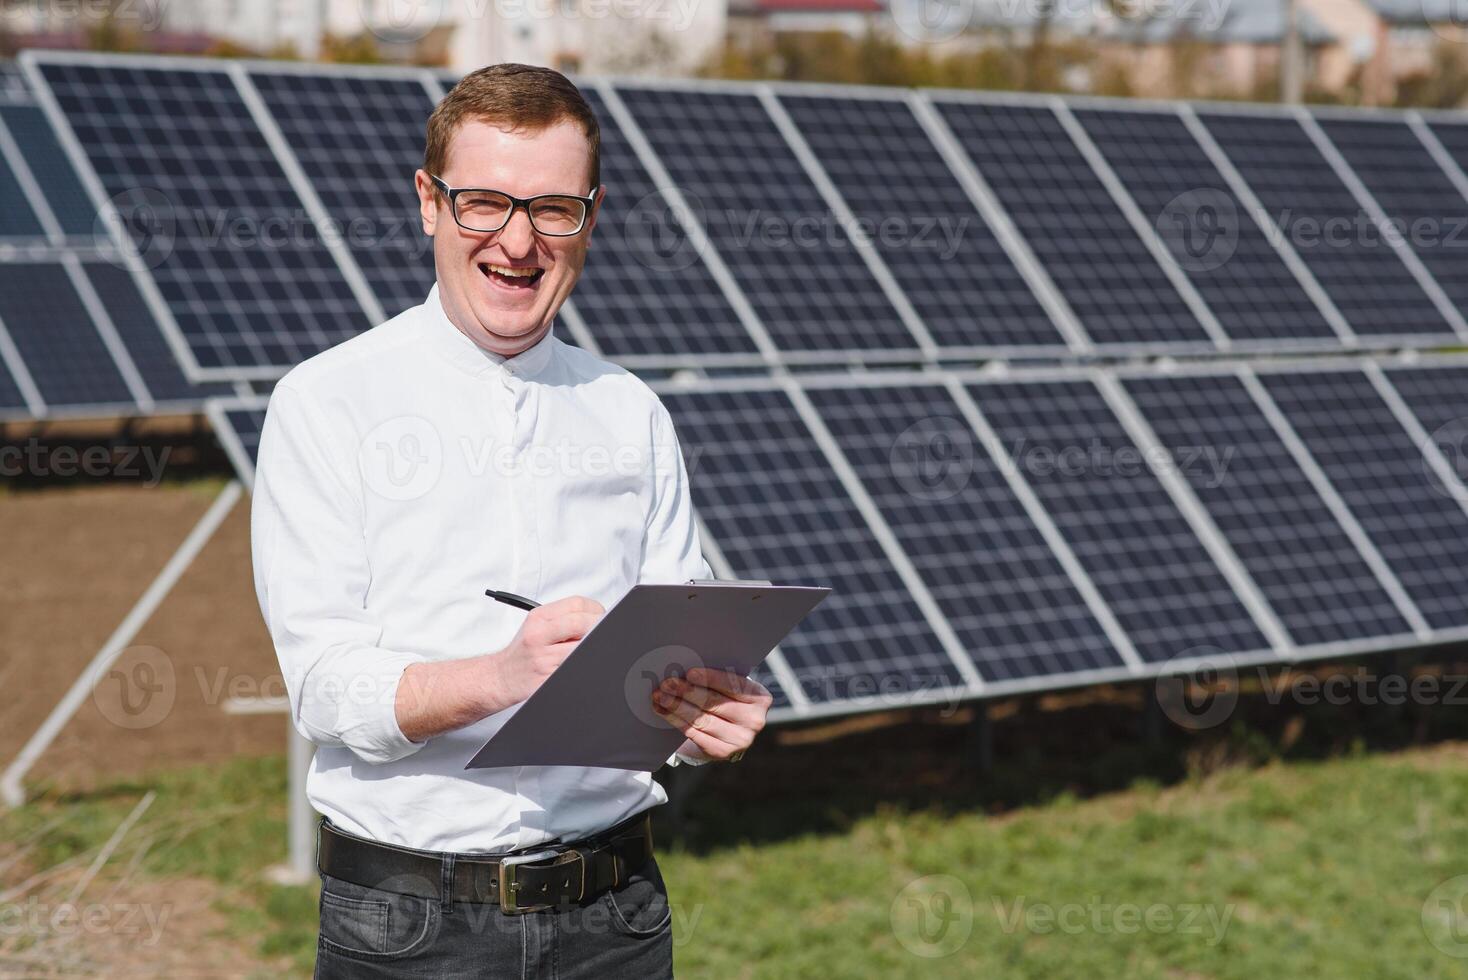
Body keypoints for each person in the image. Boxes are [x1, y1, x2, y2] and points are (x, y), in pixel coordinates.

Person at [250, 63, 773, 979]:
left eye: (554, 209)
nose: (518, 242)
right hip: (407, 926)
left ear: (592, 216)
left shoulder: (631, 410)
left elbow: (669, 656)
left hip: (617, 914)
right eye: (483, 203)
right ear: (428, 203)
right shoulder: (327, 402)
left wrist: (700, 715)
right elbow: (324, 689)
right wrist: (499, 676)